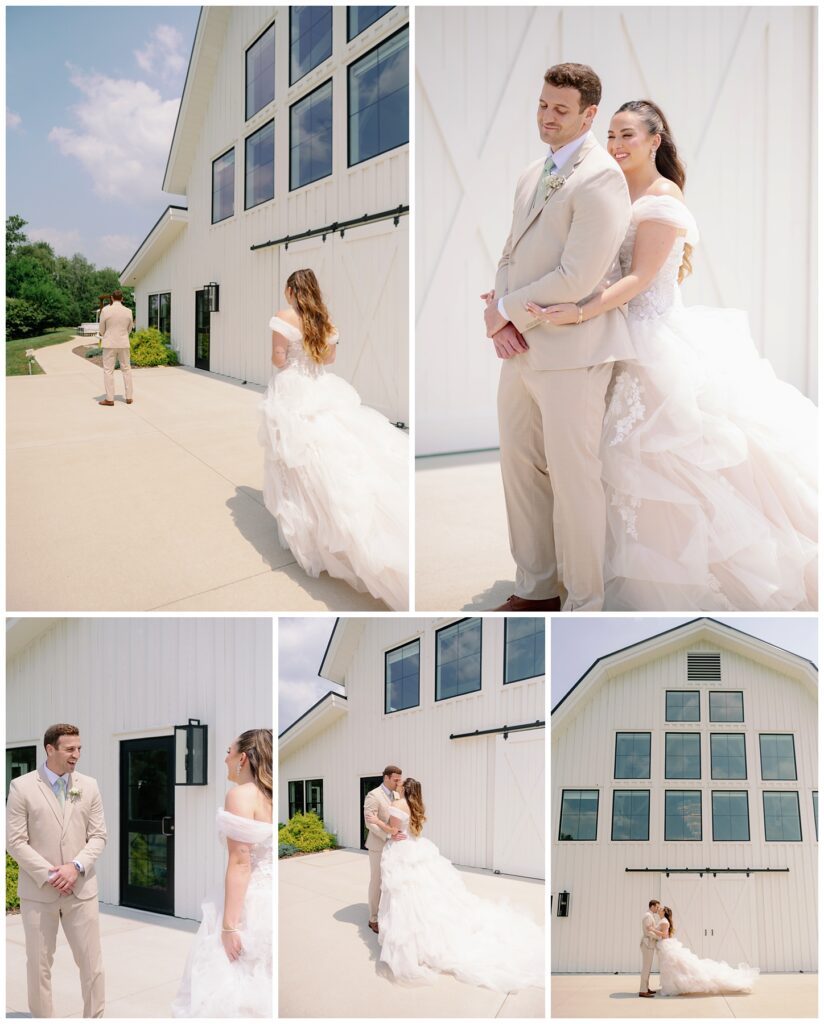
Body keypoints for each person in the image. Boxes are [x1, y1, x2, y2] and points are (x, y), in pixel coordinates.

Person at [527, 100, 817, 610]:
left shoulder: (662, 199)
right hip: (611, 336)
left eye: (628, 136)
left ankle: (673, 579)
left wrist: (576, 311)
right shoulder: (610, 188)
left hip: (652, 339)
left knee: (658, 460)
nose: (616, 145)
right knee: (595, 463)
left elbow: (638, 279)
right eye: (612, 135)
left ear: (655, 141)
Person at [482, 63, 634, 613]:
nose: (547, 117)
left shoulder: (602, 178)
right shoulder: (531, 173)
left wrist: (503, 311)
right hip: (519, 350)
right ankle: (537, 587)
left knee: (575, 482)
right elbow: (509, 252)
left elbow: (578, 277)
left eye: (560, 110)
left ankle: (585, 603)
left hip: (573, 354)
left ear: (589, 114)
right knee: (519, 470)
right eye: (543, 105)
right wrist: (501, 316)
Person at [258, 268, 409, 610]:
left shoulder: (283, 318)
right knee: (326, 456)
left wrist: (285, 356)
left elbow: (279, 361)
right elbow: (328, 359)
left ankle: (309, 534)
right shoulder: (325, 323)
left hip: (293, 390)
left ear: (291, 291)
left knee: (294, 461)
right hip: (321, 386)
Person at [365, 777, 544, 992]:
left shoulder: (397, 805)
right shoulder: (417, 805)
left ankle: (414, 939)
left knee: (404, 895)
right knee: (422, 892)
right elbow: (410, 830)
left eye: (401, 784)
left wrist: (376, 821)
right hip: (416, 847)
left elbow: (394, 832)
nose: (397, 786)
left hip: (401, 851)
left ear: (404, 789)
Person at [6, 724, 107, 1018]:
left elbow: (99, 836)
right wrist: (52, 874)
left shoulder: (89, 785)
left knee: (92, 965)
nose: (76, 755)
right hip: (39, 892)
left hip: (81, 890)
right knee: (38, 965)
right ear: (50, 749)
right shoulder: (21, 787)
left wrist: (75, 867)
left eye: (79, 749)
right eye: (70, 749)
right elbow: (15, 842)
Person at [172, 729, 273, 1018]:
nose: (225, 758)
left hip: (250, 902)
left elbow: (241, 861)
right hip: (270, 897)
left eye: (228, 752)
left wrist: (229, 926)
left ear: (243, 758)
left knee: (231, 988)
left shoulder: (241, 795)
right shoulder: (270, 795)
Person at [654, 905, 758, 995]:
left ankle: (672, 987)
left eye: (661, 908)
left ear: (664, 912)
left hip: (666, 944)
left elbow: (664, 935)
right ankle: (672, 986)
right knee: (672, 967)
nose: (659, 909)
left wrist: (651, 930)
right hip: (665, 945)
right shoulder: (663, 921)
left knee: (674, 967)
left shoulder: (664, 922)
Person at [363, 766, 406, 935]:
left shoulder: (396, 795)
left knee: (391, 881)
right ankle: (373, 918)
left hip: (394, 846)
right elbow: (369, 822)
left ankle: (387, 913)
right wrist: (388, 835)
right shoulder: (373, 795)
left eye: (399, 779)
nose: (398, 782)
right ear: (386, 778)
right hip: (378, 845)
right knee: (377, 881)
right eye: (395, 779)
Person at [98, 289, 134, 406]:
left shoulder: (105, 310)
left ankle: (109, 399)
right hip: (124, 343)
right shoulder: (128, 311)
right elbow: (130, 328)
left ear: (112, 298)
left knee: (108, 371)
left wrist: (105, 335)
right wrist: (123, 336)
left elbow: (101, 329)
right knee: (126, 369)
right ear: (122, 299)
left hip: (109, 343)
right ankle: (129, 397)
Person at [639, 899, 661, 997]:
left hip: (650, 944)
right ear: (652, 906)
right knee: (646, 968)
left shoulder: (650, 915)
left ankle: (646, 987)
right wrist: (659, 937)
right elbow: (648, 932)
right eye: (657, 906)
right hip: (648, 943)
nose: (658, 908)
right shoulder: (648, 916)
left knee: (648, 968)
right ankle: (643, 991)